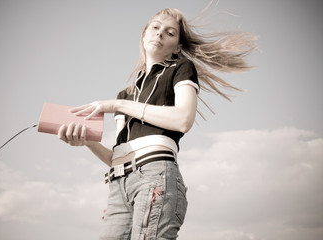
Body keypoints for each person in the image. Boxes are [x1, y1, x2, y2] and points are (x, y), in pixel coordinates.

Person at [58, 8, 257, 240]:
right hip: (119, 185)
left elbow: (183, 119)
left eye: (170, 32)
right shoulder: (125, 94)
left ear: (178, 46)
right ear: (144, 35)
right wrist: (89, 142)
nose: (160, 34)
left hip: (155, 175)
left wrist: (116, 105)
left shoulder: (181, 68)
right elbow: (116, 157)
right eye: (155, 27)